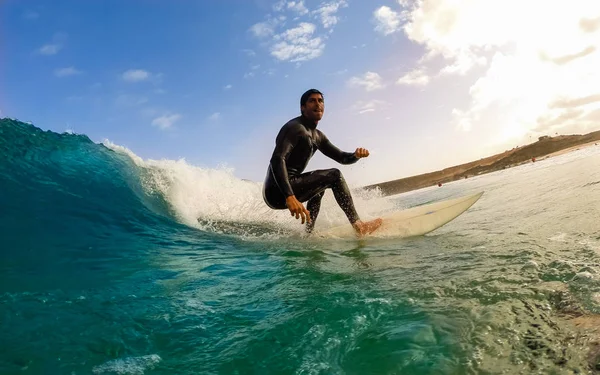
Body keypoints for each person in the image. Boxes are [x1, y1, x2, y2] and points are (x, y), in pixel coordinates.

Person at [262, 89, 383, 236]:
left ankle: (307, 234)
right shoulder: (295, 128)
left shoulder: (318, 136)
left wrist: (356, 155)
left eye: (320, 101)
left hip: (287, 188)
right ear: (303, 107)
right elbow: (277, 159)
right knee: (334, 175)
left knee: (320, 186)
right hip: (276, 190)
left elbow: (342, 158)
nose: (317, 104)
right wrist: (290, 196)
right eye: (312, 100)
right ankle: (359, 226)